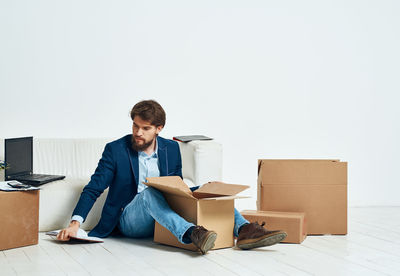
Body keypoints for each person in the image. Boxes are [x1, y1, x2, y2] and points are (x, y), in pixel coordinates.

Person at [57, 100, 287, 254]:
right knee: (148, 193)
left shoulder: (171, 149)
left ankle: (245, 231)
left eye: (145, 128)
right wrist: (75, 223)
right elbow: (94, 187)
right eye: (135, 126)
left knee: (201, 188)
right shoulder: (115, 150)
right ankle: (191, 233)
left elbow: (175, 186)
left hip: (162, 217)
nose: (137, 133)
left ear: (159, 128)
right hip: (129, 220)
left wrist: (197, 190)